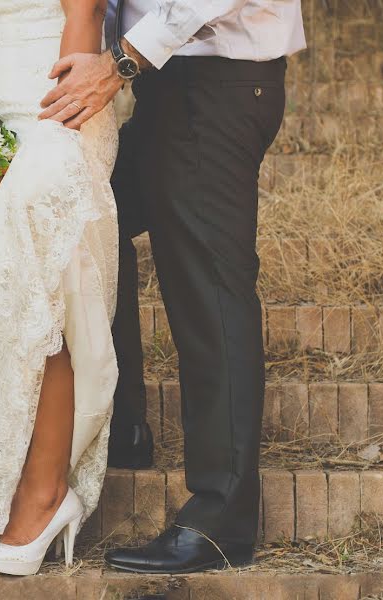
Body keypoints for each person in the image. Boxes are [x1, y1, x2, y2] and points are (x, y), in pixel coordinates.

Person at [39, 0, 306, 574]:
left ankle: (221, 520)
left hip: (215, 82)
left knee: (209, 291)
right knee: (93, 219)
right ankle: (126, 425)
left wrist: (119, 61)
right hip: (174, 83)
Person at [0, 0, 120, 576]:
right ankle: (39, 487)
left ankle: (43, 497)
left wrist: (61, 134)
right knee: (7, 298)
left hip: (53, 109)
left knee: (41, 293)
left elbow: (85, 9)